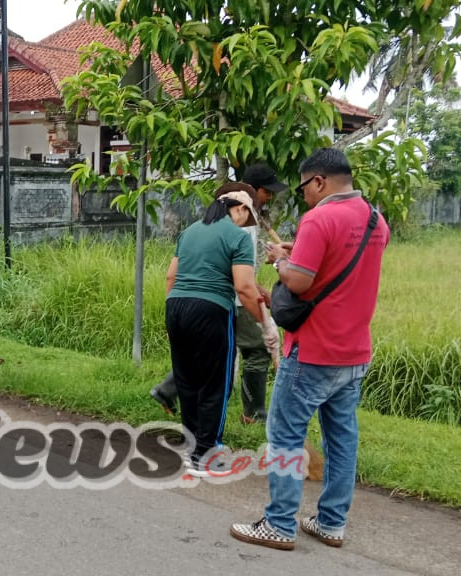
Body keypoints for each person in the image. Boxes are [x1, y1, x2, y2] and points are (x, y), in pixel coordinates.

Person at [230, 147, 390, 551]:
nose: (303, 195)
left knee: (284, 434)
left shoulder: (318, 218)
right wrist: (294, 253)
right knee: (342, 439)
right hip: (354, 352)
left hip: (314, 350)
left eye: (304, 186)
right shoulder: (375, 220)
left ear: (319, 180)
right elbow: (337, 266)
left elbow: (300, 282)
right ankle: (331, 523)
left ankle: (279, 524)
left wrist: (280, 264)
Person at [150, 183, 264, 475]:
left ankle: (193, 448)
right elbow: (244, 287)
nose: (245, 223)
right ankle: (207, 454)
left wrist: (173, 315)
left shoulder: (189, 232)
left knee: (187, 381)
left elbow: (170, 276)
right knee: (216, 384)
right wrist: (265, 324)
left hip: (176, 307)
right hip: (211, 310)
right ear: (238, 209)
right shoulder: (237, 237)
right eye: (245, 216)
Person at [224, 163, 287, 424]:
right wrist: (263, 296)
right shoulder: (245, 221)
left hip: (227, 295)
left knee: (216, 352)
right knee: (257, 350)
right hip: (237, 297)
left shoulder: (238, 214)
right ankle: (254, 414)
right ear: (253, 190)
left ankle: (167, 390)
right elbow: (237, 272)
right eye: (267, 192)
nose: (269, 197)